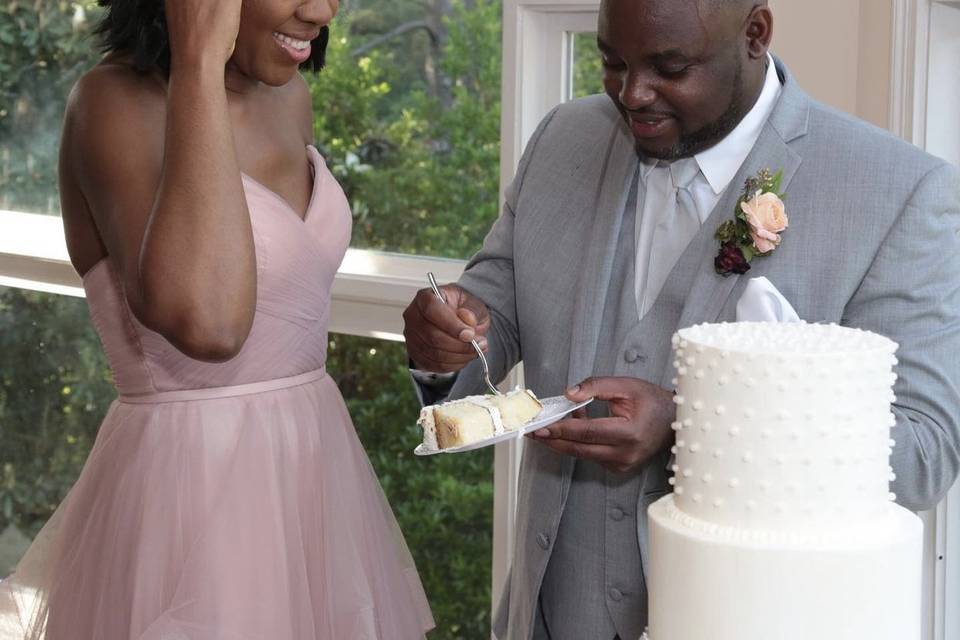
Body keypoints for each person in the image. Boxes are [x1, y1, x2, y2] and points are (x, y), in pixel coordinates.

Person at [402, 0, 960, 638]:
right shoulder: (564, 138)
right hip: (549, 613)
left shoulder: (897, 193)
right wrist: (444, 342)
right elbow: (489, 318)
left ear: (755, 33)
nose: (633, 94)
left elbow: (923, 453)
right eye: (612, 61)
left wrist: (692, 423)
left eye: (670, 67)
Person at [0, 0, 434, 638]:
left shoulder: (288, 101)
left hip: (315, 473)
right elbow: (210, 324)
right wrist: (199, 62)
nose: (323, 10)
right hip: (190, 501)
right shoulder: (111, 105)